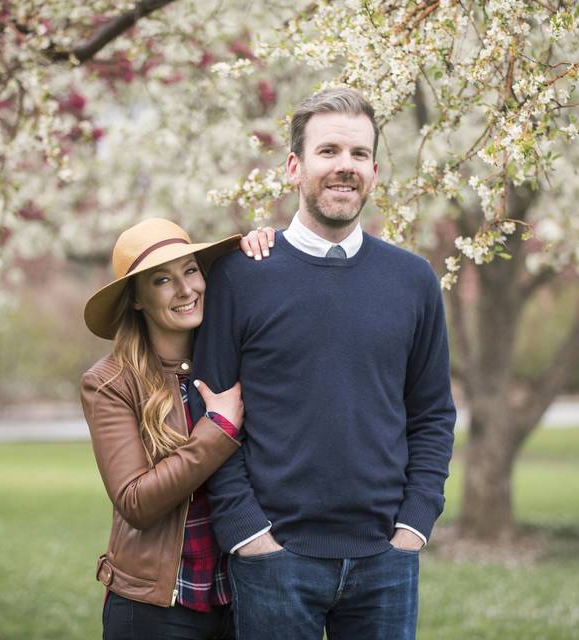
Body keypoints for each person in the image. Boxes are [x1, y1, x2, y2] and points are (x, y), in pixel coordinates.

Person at [190, 88, 457, 639]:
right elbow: (207, 408)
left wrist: (414, 525)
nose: (344, 167)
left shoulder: (413, 282)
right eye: (328, 151)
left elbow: (432, 414)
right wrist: (248, 533)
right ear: (295, 166)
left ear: (376, 172)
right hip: (272, 559)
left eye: (359, 154)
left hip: (386, 559)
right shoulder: (239, 277)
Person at [80, 218, 275, 639]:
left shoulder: (232, 358)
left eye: (190, 270)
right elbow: (136, 501)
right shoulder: (111, 382)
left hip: (241, 595)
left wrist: (262, 251)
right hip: (157, 607)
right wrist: (218, 428)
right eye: (162, 280)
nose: (186, 290)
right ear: (136, 299)